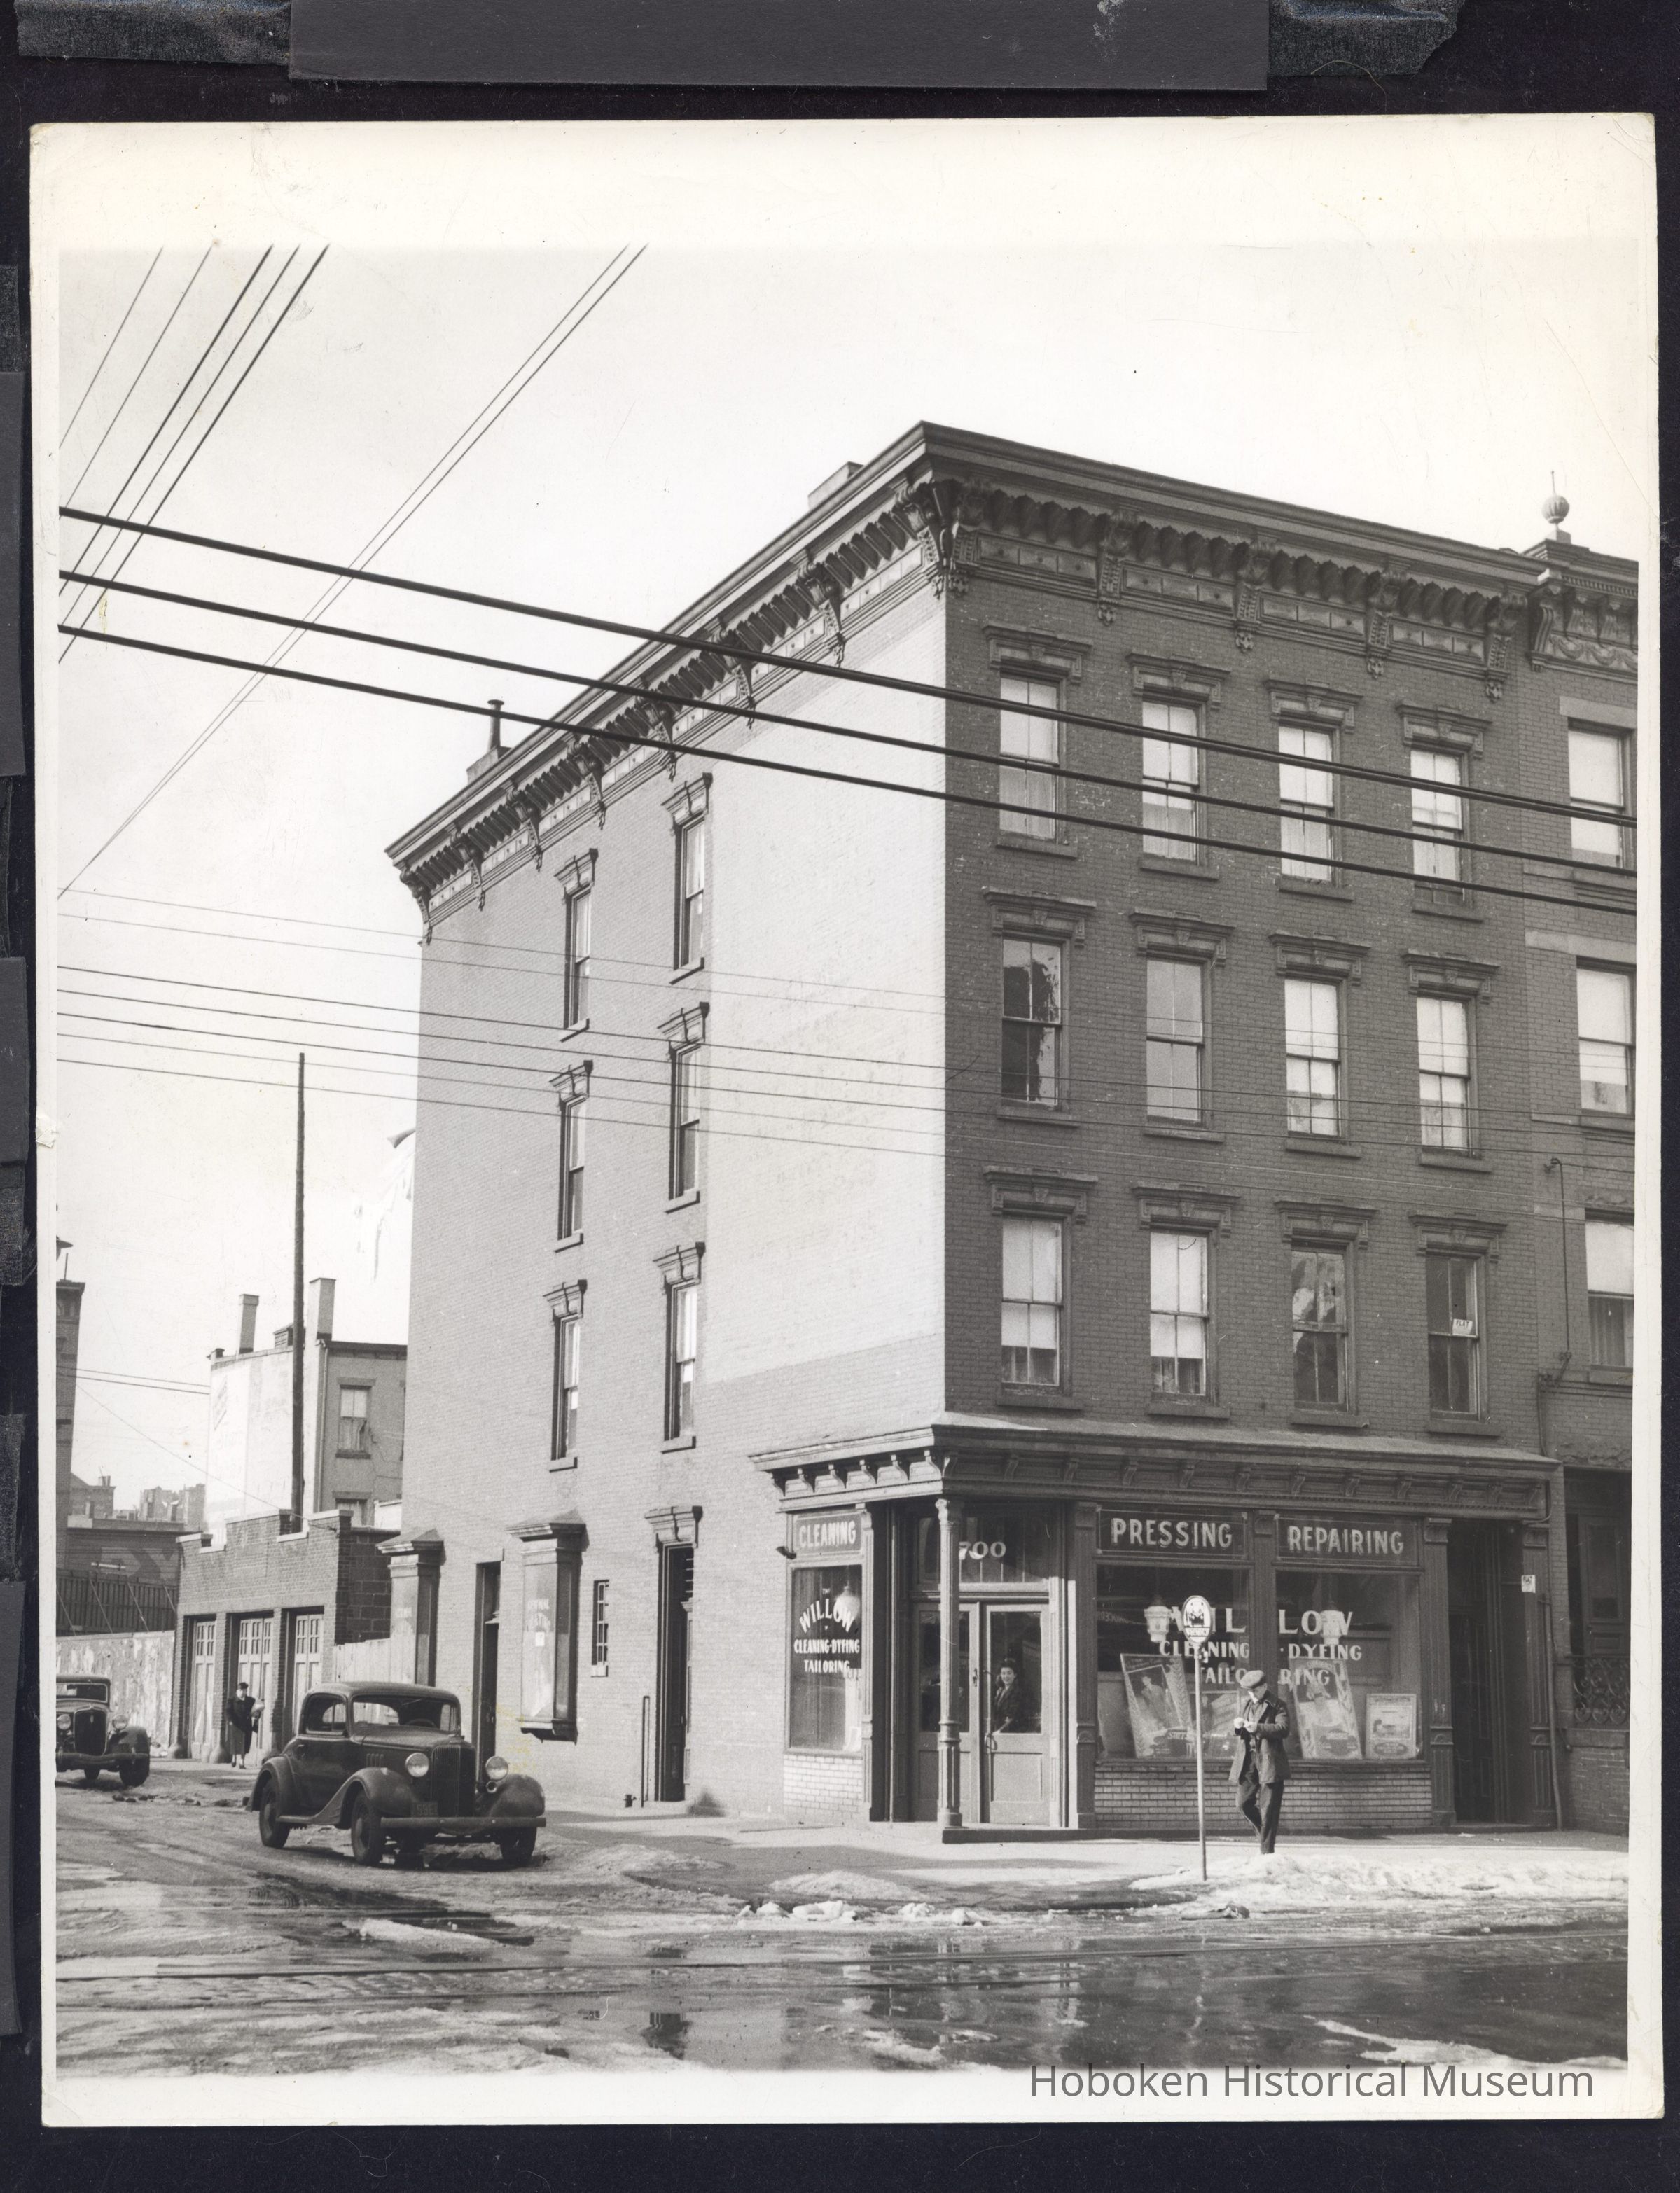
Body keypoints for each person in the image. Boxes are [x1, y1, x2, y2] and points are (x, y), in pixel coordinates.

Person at [1230, 1666, 1290, 1854]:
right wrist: (1237, 1726)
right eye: (1249, 1691)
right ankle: (1264, 1835)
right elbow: (1241, 1730)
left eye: (1255, 1690)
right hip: (1248, 1761)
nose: (1252, 1694)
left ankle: (1266, 1852)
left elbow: (1284, 1729)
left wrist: (1257, 1727)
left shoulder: (1278, 1705)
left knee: (1269, 1809)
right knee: (1242, 1803)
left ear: (1265, 1687)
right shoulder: (1247, 1704)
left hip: (1270, 1762)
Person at [227, 1681, 256, 1767]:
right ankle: (234, 1757)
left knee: (245, 1743)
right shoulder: (231, 1700)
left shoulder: (251, 1701)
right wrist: (230, 1721)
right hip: (236, 1724)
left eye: (244, 1690)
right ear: (237, 1691)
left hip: (246, 1725)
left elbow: (255, 1711)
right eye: (241, 1690)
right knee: (235, 1742)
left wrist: (257, 1713)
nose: (243, 1692)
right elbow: (228, 1711)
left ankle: (242, 1762)